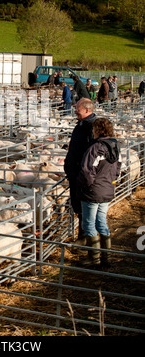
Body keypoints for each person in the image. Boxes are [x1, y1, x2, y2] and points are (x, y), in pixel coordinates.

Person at [77, 117, 121, 267]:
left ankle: (94, 259)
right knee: (101, 221)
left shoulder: (95, 147)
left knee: (89, 224)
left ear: (98, 130)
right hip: (107, 189)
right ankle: (106, 258)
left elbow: (86, 170)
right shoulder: (115, 145)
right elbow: (118, 168)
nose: (93, 131)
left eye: (94, 129)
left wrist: (87, 186)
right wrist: (111, 182)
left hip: (93, 191)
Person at [64, 98, 97, 241]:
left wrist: (83, 172)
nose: (75, 110)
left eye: (78, 108)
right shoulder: (81, 125)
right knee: (79, 207)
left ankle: (86, 241)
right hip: (75, 173)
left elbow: (92, 153)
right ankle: (83, 238)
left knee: (85, 208)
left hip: (82, 175)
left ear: (87, 110)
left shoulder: (91, 127)